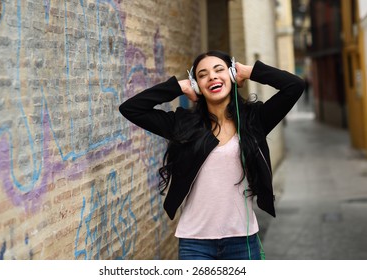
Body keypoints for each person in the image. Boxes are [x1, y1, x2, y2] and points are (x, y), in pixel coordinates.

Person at [119, 50, 305, 260]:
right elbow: (131, 109)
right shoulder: (183, 125)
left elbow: (295, 86)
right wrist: (179, 86)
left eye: (219, 70)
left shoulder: (255, 120)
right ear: (197, 85)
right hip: (195, 242)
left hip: (242, 240)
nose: (212, 77)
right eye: (202, 75)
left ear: (232, 75)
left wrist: (249, 71)